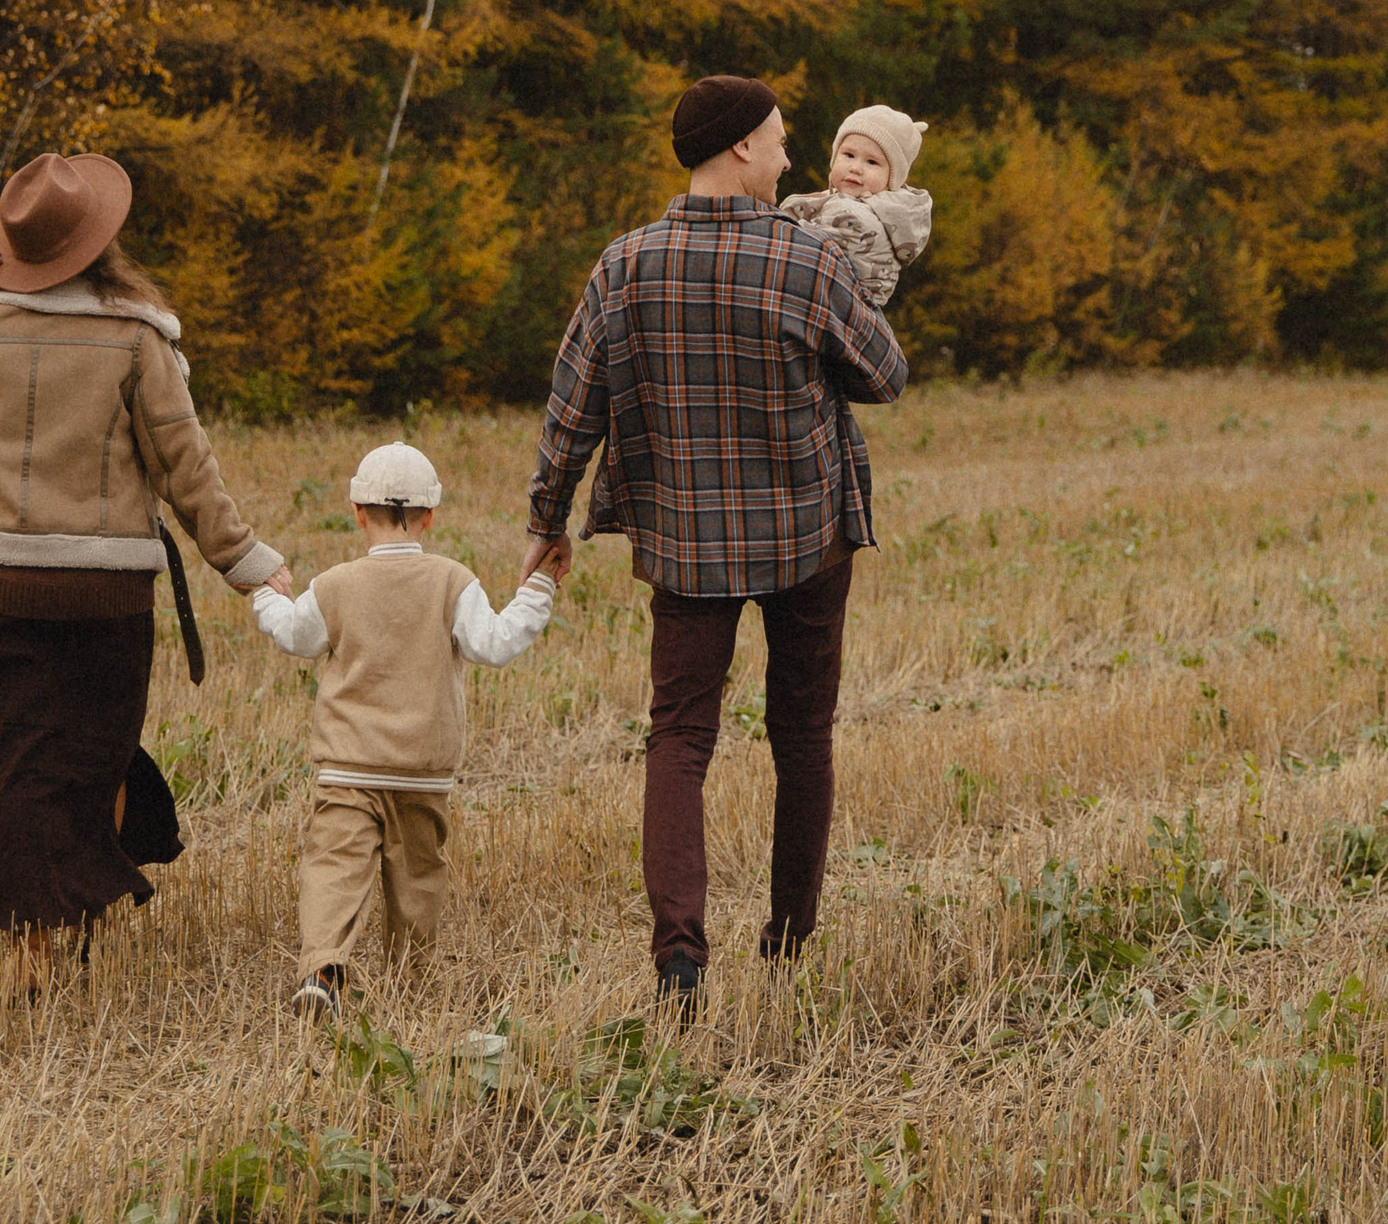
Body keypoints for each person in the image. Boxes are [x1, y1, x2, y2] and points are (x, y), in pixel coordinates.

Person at [524, 75, 909, 1011]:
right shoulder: (806, 260)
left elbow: (573, 403)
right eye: (780, 141)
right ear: (740, 147)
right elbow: (886, 374)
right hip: (808, 535)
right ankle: (788, 939)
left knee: (680, 738)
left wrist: (548, 520)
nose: (790, 157)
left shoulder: (626, 264)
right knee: (802, 733)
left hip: (686, 539)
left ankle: (679, 961)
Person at [0, 151, 290, 990]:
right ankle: (77, 908)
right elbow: (184, 464)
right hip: (108, 590)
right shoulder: (136, 336)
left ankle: (30, 943)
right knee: (96, 758)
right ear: (99, 242)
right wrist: (246, 562)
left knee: (20, 761)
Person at [248, 441, 560, 1016]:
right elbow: (494, 644)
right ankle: (410, 984)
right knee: (418, 878)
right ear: (431, 516)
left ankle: (323, 969)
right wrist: (538, 590)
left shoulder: (335, 583)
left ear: (358, 511)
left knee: (335, 867)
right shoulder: (452, 581)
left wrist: (266, 598)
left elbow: (296, 636)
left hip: (347, 767)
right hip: (424, 771)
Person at [776, 105, 933, 308]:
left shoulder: (855, 215)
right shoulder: (865, 207)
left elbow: (803, 252)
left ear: (892, 178)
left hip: (831, 309)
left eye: (872, 162)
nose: (855, 168)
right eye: (849, 155)